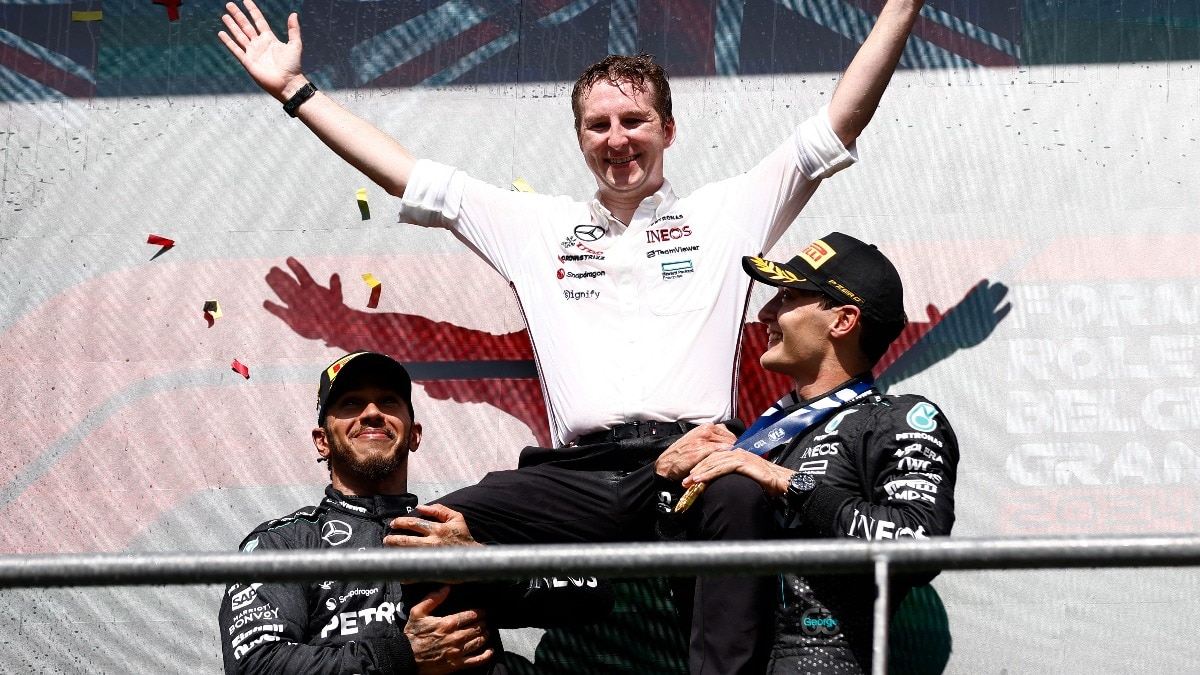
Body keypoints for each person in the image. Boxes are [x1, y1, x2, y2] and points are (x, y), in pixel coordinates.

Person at [217, 3, 927, 672]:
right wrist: (295, 90)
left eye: (634, 120)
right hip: (578, 477)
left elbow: (838, 125)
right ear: (580, 137)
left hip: (686, 463)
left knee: (738, 499)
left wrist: (900, 8)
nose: (617, 138)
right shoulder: (535, 227)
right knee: (430, 524)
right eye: (598, 125)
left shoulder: (728, 212)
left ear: (668, 130)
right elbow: (407, 174)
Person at [658, 232, 959, 674]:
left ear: (842, 320)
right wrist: (667, 484)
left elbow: (921, 548)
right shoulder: (754, 437)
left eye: (786, 297)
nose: (765, 313)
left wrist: (785, 481)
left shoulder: (897, 419)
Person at [216, 351, 611, 674]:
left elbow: (593, 592)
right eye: (351, 403)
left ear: (414, 434)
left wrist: (483, 566)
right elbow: (256, 665)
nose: (372, 412)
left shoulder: (461, 524)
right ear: (322, 441)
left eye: (388, 401)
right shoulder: (283, 543)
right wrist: (400, 658)